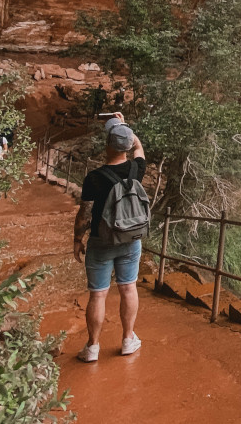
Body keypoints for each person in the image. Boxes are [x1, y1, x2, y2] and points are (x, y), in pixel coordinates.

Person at [73, 112, 146, 362]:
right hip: (130, 239)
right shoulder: (136, 170)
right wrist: (126, 128)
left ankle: (93, 347)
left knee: (98, 294)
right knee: (128, 288)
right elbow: (138, 149)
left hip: (101, 241)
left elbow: (84, 214)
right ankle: (128, 339)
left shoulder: (93, 178)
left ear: (107, 144)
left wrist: (77, 239)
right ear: (127, 144)